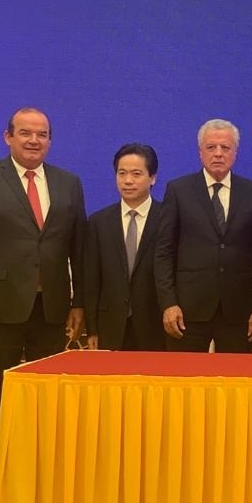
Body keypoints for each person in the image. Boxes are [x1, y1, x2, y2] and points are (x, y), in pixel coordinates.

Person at [0, 107, 86, 475]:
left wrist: (79, 303)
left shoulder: (68, 183)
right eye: (25, 132)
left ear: (50, 141)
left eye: (41, 134)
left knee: (48, 397)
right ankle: (3, 476)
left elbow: (80, 249)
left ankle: (44, 472)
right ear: (8, 137)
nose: (33, 140)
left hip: (52, 309)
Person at [154, 119, 252, 353]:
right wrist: (168, 303)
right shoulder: (178, 190)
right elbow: (164, 253)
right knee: (184, 375)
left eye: (225, 147)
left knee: (234, 376)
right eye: (211, 147)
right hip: (186, 311)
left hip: (238, 312)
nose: (218, 153)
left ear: (235, 153)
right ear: (200, 152)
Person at [84, 143, 166, 351]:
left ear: (153, 178)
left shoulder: (168, 218)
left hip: (156, 325)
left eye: (136, 174)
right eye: (122, 173)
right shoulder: (98, 222)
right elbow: (92, 279)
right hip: (110, 326)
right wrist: (92, 329)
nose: (128, 181)